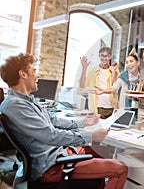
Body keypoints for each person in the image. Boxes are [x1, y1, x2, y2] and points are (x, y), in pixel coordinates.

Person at [0, 53, 128, 189]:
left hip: (58, 153)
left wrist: (83, 122)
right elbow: (51, 135)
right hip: (51, 165)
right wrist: (91, 136)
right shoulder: (16, 105)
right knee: (120, 169)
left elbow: (53, 120)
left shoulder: (27, 100)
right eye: (34, 71)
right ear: (23, 74)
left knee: (103, 151)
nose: (37, 76)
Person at [91, 48, 140, 121]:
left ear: (137, 62)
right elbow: (114, 88)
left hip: (140, 110)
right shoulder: (123, 76)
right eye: (127, 62)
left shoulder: (143, 77)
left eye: (131, 61)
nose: (129, 64)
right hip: (124, 109)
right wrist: (104, 91)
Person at [79, 39, 119, 119]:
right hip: (96, 107)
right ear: (99, 56)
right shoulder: (92, 71)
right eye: (101, 55)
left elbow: (115, 87)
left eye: (106, 56)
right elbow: (82, 85)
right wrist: (84, 69)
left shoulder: (114, 70)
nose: (104, 58)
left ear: (110, 57)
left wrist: (114, 72)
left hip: (111, 107)